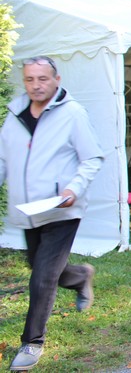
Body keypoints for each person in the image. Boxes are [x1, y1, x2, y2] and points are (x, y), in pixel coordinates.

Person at [1, 56, 104, 372]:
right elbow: (3, 158)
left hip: (62, 209)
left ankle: (32, 342)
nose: (36, 85)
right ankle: (81, 276)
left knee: (43, 276)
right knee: (39, 265)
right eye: (30, 79)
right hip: (29, 210)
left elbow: (92, 158)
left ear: (57, 80)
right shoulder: (14, 115)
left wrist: (73, 189)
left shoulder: (72, 114)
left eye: (42, 79)